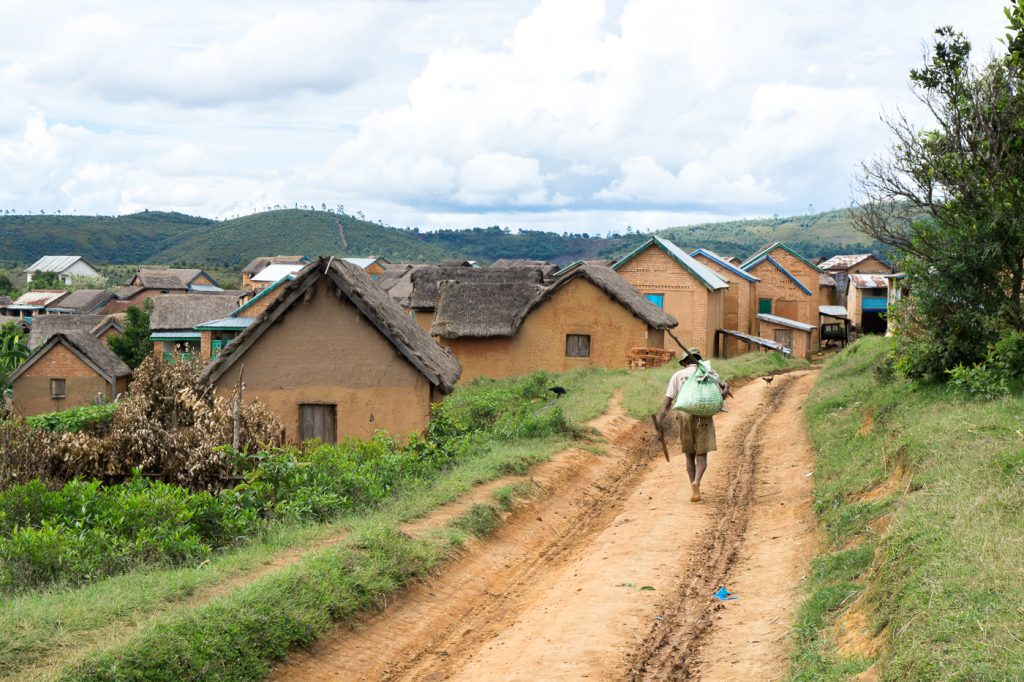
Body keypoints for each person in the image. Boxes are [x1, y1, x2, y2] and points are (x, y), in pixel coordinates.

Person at [655, 350, 727, 503]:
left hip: (684, 415)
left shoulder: (678, 375)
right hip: (704, 415)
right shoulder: (710, 373)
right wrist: (726, 390)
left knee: (689, 454)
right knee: (702, 455)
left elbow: (667, 402)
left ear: (685, 363)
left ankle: (692, 485)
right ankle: (697, 482)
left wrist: (659, 422)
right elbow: (719, 397)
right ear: (699, 360)